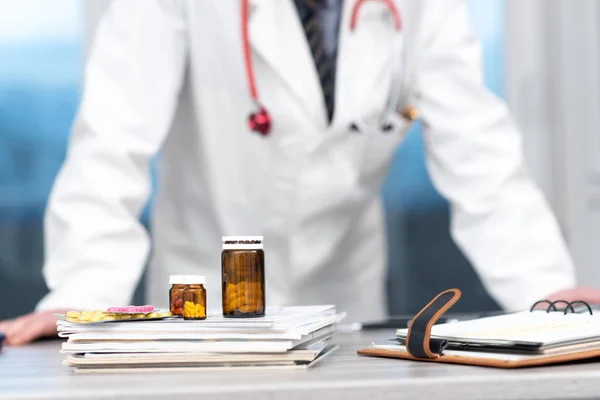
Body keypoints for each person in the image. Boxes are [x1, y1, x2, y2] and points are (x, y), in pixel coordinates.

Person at [1, 0, 599, 346]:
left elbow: (478, 149)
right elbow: (112, 140)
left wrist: (545, 292)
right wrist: (82, 296)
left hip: (344, 302)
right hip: (207, 306)